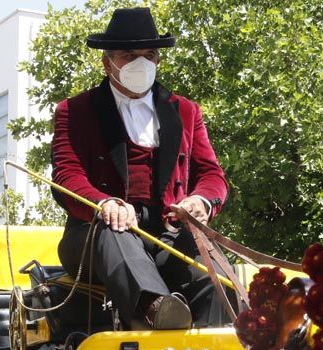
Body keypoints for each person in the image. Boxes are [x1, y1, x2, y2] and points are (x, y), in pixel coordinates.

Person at [52, 6, 232, 330]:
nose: (140, 63)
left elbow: (212, 175)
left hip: (167, 235)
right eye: (128, 55)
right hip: (97, 238)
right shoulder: (74, 111)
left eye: (148, 55)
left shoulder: (187, 111)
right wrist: (104, 204)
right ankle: (156, 311)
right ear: (107, 63)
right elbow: (67, 174)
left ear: (158, 60)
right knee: (114, 231)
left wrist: (200, 201)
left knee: (208, 259)